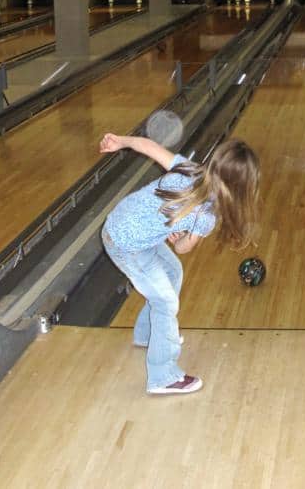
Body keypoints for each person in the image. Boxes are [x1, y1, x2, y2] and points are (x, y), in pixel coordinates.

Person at [100, 133, 260, 395]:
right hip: (126, 244)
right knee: (165, 302)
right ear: (238, 188)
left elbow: (150, 146)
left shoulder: (189, 169)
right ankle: (163, 376)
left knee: (172, 272)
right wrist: (178, 240)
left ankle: (148, 334)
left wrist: (122, 141)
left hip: (124, 225)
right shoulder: (204, 216)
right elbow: (184, 247)